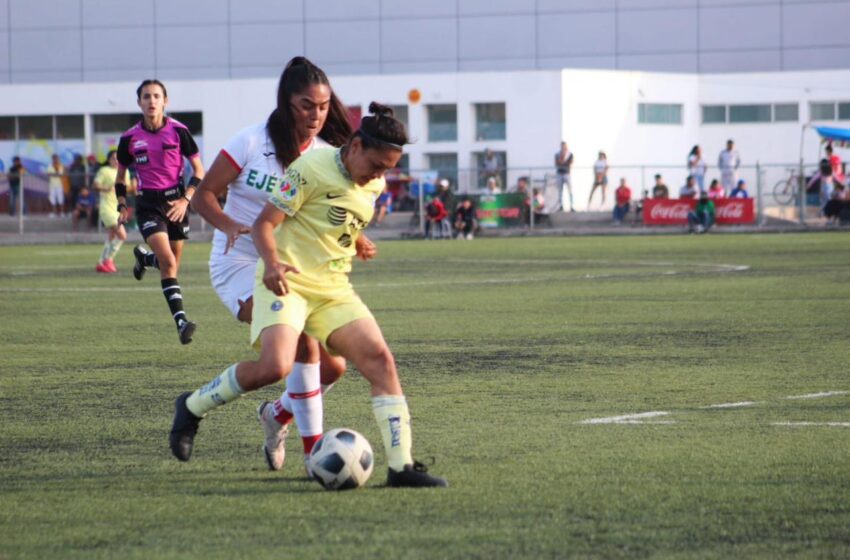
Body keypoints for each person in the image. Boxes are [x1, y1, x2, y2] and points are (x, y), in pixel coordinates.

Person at [169, 102, 448, 488]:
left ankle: (401, 467)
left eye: (388, 169)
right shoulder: (308, 169)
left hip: (333, 289)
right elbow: (267, 223)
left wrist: (358, 240)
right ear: (354, 147)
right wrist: (270, 265)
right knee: (275, 367)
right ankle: (193, 405)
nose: (379, 177)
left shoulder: (375, 182)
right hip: (289, 282)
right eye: (377, 165)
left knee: (380, 361)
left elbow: (334, 218)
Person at [191, 57, 365, 471]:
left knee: (334, 367)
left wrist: (359, 237)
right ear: (286, 103)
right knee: (302, 346)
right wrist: (229, 223)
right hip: (238, 261)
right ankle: (315, 455)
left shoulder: (326, 156)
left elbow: (330, 213)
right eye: (307, 105)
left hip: (290, 265)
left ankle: (277, 415)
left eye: (323, 107)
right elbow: (203, 196)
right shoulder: (249, 142)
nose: (316, 115)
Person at [115, 79, 205, 345]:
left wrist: (185, 200)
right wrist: (122, 204)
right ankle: (181, 322)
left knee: (172, 264)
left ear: (165, 101)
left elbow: (199, 170)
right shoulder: (129, 138)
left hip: (177, 203)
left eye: (156, 96)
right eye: (146, 97)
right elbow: (120, 177)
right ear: (139, 102)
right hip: (148, 206)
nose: (151, 101)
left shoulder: (179, 132)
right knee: (167, 261)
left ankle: (144, 260)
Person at [92, 150, 128, 273]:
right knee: (122, 235)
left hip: (118, 208)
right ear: (109, 159)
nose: (116, 160)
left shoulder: (125, 171)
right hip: (107, 209)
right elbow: (95, 185)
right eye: (113, 158)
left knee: (112, 237)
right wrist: (106, 188)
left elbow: (127, 188)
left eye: (118, 158)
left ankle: (101, 263)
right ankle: (109, 260)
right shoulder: (104, 171)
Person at [554, 141, 575, 212]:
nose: (563, 148)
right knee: (560, 191)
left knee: (570, 190)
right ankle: (560, 206)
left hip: (567, 174)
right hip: (559, 174)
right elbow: (557, 163)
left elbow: (569, 162)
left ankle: (572, 205)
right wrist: (562, 162)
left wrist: (562, 162)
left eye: (564, 146)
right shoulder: (557, 154)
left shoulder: (570, 154)